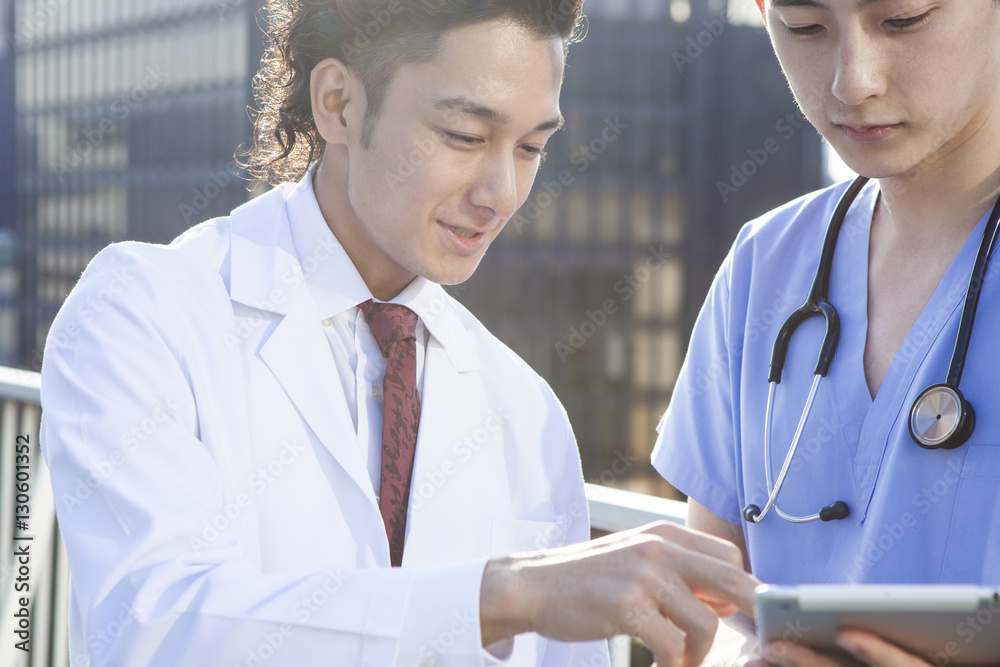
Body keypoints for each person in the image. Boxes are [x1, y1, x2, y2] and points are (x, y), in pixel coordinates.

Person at [39, 1, 757, 666]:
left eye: (532, 147)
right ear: (340, 104)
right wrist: (507, 594)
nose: (502, 193)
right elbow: (155, 630)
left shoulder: (525, 411)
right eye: (465, 135)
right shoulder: (141, 314)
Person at [652, 0, 1000, 665]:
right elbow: (711, 614)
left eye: (903, 20)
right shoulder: (764, 267)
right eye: (805, 27)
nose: (852, 82)